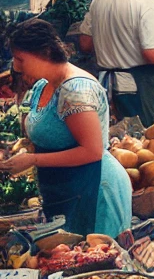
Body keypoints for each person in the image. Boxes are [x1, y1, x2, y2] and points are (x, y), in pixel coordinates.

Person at [1, 20, 130, 236]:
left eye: (21, 59)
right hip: (68, 189)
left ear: (45, 52)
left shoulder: (76, 90)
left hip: (94, 190)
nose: (16, 66)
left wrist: (32, 160)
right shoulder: (43, 84)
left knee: (94, 261)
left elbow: (92, 151)